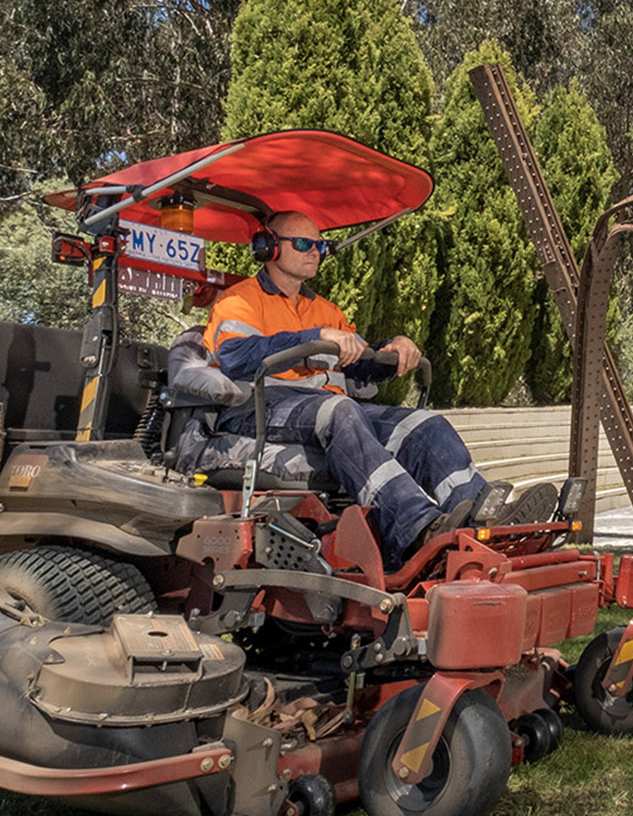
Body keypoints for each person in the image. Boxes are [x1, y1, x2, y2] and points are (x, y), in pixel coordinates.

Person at [203, 209, 545, 563]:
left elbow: (362, 364)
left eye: (320, 245)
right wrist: (313, 337)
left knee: (424, 425)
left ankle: (479, 519)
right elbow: (236, 358)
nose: (315, 252)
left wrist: (394, 348)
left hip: (325, 409)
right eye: (304, 243)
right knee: (341, 411)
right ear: (268, 247)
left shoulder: (325, 309)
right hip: (259, 409)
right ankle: (418, 530)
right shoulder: (238, 301)